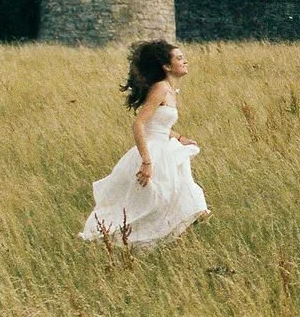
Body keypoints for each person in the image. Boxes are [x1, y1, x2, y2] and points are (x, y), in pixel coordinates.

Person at [79, 40, 210, 248]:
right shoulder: (160, 89)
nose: (185, 61)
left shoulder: (169, 89)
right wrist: (146, 161)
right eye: (179, 58)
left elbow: (158, 124)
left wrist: (178, 137)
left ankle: (167, 246)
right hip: (153, 153)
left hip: (166, 150)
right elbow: (139, 124)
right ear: (167, 67)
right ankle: (123, 242)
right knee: (152, 203)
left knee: (182, 201)